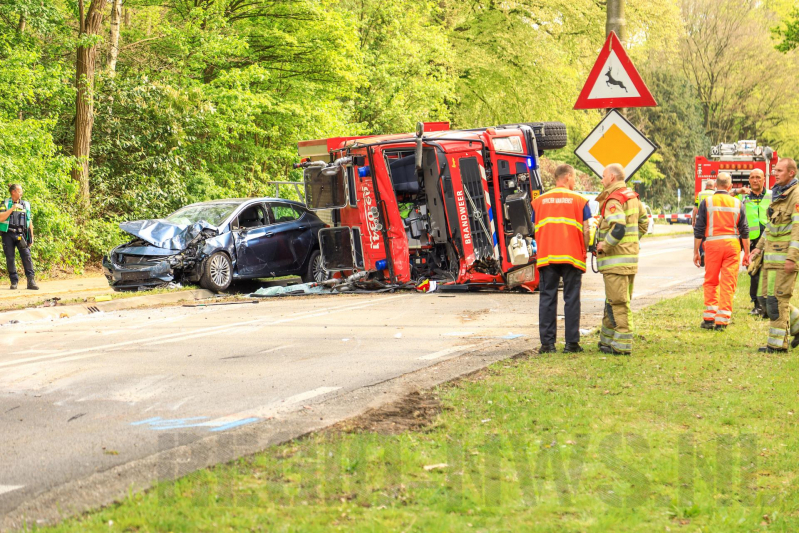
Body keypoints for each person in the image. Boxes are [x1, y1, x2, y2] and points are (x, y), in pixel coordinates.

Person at [531, 164, 591, 354]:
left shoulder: (539, 201)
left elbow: (535, 229)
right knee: (571, 299)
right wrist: (586, 248)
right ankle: (571, 344)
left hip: (547, 255)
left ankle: (547, 345)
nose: (574, 182)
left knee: (547, 298)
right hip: (572, 256)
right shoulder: (580, 201)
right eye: (573, 178)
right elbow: (587, 229)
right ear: (567, 177)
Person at [595, 163, 648, 355]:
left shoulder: (614, 200)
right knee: (614, 301)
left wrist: (604, 245)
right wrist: (631, 243)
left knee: (618, 303)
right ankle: (607, 341)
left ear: (612, 178)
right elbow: (644, 223)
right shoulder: (632, 197)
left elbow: (618, 227)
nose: (601, 180)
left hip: (615, 261)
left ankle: (622, 344)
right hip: (629, 261)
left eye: (603, 176)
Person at [750, 158, 799, 352]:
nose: (775, 173)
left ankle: (777, 345)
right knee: (764, 299)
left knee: (777, 301)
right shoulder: (778, 194)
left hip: (784, 259)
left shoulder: (795, 196)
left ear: (791, 173)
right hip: (771, 259)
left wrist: (792, 257)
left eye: (779, 170)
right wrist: (759, 247)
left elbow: (797, 229)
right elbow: (771, 226)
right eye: (775, 170)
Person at [693, 172, 750, 330]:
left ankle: (709, 318)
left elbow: (699, 229)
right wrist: (747, 252)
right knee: (728, 281)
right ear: (730, 187)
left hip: (712, 245)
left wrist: (696, 251)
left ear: (716, 186)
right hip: (732, 245)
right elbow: (744, 230)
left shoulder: (706, 202)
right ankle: (722, 320)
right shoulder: (738, 203)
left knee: (711, 280)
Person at [737, 169, 770, 315]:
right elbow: (724, 193)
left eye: (758, 177)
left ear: (764, 179)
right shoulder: (743, 197)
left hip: (769, 239)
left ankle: (769, 305)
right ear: (749, 180)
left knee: (769, 272)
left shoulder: (771, 195)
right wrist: (738, 190)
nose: (755, 180)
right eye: (752, 178)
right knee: (754, 272)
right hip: (751, 240)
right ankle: (757, 305)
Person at [0, 184, 37, 290]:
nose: (21, 193)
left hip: (21, 234)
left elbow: (29, 221)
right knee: (10, 258)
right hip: (8, 234)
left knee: (27, 256)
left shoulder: (26, 204)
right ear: (13, 192)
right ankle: (14, 281)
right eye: (19, 191)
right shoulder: (5, 203)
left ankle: (31, 281)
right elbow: (1, 218)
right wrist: (12, 208)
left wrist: (31, 236)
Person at [693, 179, 715, 267]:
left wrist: (693, 220)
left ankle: (702, 252)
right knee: (710, 237)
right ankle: (710, 255)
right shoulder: (715, 194)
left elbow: (695, 209)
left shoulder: (700, 194)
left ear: (706, 186)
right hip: (712, 218)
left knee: (702, 237)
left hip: (701, 218)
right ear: (714, 186)